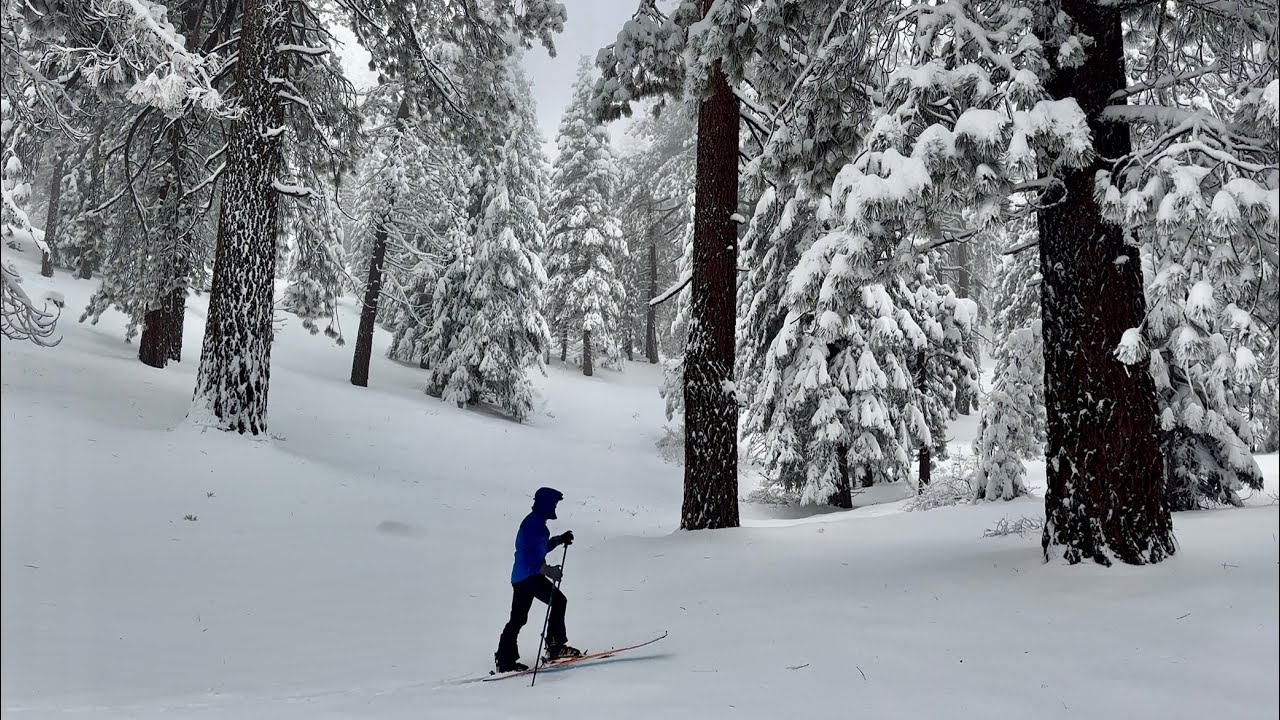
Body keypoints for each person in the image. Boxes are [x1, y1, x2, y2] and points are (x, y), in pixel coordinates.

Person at [494, 487, 582, 672]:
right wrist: (547, 570)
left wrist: (558, 540)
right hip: (529, 575)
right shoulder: (535, 524)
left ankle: (504, 659)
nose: (555, 507)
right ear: (546, 504)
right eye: (554, 503)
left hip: (520, 577)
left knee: (518, 618)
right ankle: (555, 647)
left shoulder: (535, 522)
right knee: (559, 601)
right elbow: (530, 553)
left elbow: (539, 548)